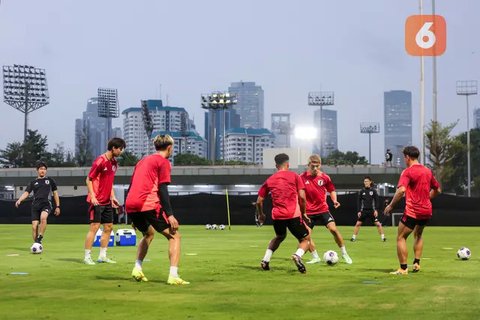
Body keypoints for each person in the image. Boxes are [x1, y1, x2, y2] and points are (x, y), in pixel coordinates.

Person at [126, 135, 189, 285]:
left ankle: (137, 268)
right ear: (169, 147)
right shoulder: (163, 162)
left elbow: (132, 184)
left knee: (148, 233)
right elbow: (162, 189)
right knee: (175, 236)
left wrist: (132, 215)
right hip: (148, 203)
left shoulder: (142, 161)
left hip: (131, 204)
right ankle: (173, 275)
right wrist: (170, 215)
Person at [384, 146, 441, 275]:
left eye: (404, 157)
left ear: (408, 157)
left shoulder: (407, 172)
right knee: (418, 235)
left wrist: (391, 205)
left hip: (413, 211)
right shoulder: (427, 171)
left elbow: (401, 190)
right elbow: (438, 189)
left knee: (401, 237)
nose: (404, 159)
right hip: (426, 211)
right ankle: (416, 263)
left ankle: (403, 269)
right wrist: (427, 199)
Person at [256, 153, 311, 273]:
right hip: (293, 215)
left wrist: (261, 215)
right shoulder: (295, 176)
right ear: (288, 164)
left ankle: (265, 260)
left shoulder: (270, 180)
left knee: (280, 236)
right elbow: (302, 198)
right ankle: (297, 255)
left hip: (277, 216)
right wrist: (304, 213)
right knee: (306, 239)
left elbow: (259, 201)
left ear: (276, 165)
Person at [300, 154, 352, 264]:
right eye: (313, 166)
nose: (315, 168)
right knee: (306, 236)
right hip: (308, 212)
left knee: (334, 230)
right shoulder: (301, 178)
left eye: (317, 166)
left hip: (323, 209)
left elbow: (331, 190)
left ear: (320, 165)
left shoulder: (325, 177)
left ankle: (344, 254)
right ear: (308, 165)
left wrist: (334, 200)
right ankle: (315, 257)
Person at [83, 137, 126, 265]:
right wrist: (93, 196)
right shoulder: (100, 161)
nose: (121, 151)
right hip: (97, 201)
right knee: (94, 227)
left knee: (108, 227)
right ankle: (87, 256)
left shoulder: (114, 163)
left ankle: (102, 256)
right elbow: (88, 179)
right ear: (114, 148)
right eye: (120, 149)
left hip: (107, 201)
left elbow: (109, 182)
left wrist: (112, 197)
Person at [15, 162, 61, 245]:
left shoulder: (50, 181)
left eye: (44, 169)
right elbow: (26, 192)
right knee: (34, 226)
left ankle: (40, 238)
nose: (43, 171)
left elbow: (55, 193)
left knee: (43, 218)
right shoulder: (33, 182)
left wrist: (58, 206)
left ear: (46, 171)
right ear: (37, 170)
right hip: (35, 205)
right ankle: (37, 244)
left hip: (46, 204)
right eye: (41, 169)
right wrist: (20, 200)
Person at [351, 176, 386, 242]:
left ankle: (383, 237)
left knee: (378, 224)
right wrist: (359, 211)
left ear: (370, 182)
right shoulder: (361, 191)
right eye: (365, 181)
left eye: (367, 181)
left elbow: (376, 201)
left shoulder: (373, 191)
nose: (366, 183)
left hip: (372, 211)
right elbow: (359, 202)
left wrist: (376, 210)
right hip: (364, 210)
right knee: (358, 224)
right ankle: (353, 238)